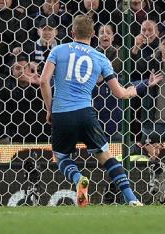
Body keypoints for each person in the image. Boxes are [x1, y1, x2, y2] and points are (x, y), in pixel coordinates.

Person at [39, 15, 154, 207]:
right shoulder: (100, 58)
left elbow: (43, 81)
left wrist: (49, 109)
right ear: (93, 35)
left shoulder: (58, 50)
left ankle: (78, 179)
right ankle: (132, 199)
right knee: (106, 158)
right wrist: (139, 88)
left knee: (61, 156)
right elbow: (120, 93)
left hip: (61, 113)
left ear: (72, 32)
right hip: (86, 113)